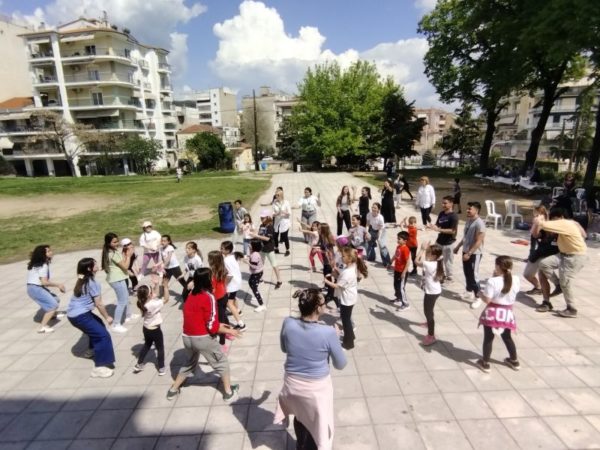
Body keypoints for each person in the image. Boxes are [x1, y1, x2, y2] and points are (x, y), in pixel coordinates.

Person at [274, 288, 347, 450]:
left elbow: (284, 349)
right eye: (324, 302)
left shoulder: (287, 322)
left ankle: (300, 444)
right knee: (317, 425)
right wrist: (335, 338)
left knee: (300, 417)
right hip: (316, 392)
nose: (325, 304)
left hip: (292, 387)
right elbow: (340, 364)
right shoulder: (328, 332)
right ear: (317, 308)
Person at [166, 268, 242, 402]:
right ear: (207, 280)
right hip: (202, 339)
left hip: (187, 337)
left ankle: (173, 390)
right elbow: (212, 327)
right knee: (222, 363)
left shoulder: (190, 295)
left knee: (189, 363)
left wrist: (219, 325)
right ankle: (228, 392)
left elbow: (198, 317)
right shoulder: (209, 297)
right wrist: (229, 331)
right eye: (211, 277)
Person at [533, 207, 587, 317]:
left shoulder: (565, 224)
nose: (554, 223)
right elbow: (584, 235)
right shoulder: (566, 224)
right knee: (544, 264)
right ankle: (558, 285)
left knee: (566, 282)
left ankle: (572, 309)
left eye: (555, 219)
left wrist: (538, 219)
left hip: (575, 256)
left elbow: (542, 224)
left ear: (561, 217)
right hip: (563, 254)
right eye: (553, 220)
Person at [66, 258, 115, 378]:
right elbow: (99, 304)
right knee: (103, 336)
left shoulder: (81, 278)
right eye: (95, 264)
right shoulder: (93, 283)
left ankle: (91, 350)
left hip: (74, 314)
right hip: (80, 316)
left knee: (98, 324)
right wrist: (107, 317)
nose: (97, 265)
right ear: (89, 268)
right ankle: (99, 367)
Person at [475, 256, 520, 373]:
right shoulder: (516, 279)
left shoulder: (492, 281)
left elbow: (487, 300)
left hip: (493, 313)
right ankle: (514, 361)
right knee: (507, 337)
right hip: (507, 313)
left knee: (488, 338)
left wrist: (479, 294)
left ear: (498, 266)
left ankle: (485, 363)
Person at [323, 247, 368, 350]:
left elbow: (337, 285)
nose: (341, 257)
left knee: (346, 321)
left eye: (343, 256)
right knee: (346, 319)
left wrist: (326, 281)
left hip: (347, 300)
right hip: (349, 297)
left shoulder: (348, 273)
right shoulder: (351, 266)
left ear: (349, 258)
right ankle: (351, 336)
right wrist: (335, 271)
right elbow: (341, 276)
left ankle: (348, 344)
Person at [26, 245, 66, 334]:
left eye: (50, 250)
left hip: (34, 287)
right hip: (35, 289)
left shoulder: (36, 263)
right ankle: (43, 327)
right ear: (42, 254)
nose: (51, 252)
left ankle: (52, 315)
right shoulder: (43, 265)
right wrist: (58, 285)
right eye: (48, 251)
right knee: (53, 305)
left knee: (56, 299)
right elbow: (44, 282)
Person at [453, 202, 486, 308]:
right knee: (467, 273)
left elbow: (479, 241)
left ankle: (478, 297)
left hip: (474, 253)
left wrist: (469, 253)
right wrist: (458, 246)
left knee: (473, 275)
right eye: (467, 209)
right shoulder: (469, 220)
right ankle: (468, 291)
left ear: (476, 210)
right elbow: (465, 236)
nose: (467, 210)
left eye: (469, 209)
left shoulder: (480, 224)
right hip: (466, 251)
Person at [101, 232, 136, 333]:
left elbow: (121, 264)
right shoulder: (112, 254)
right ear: (108, 243)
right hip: (117, 279)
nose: (117, 243)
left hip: (119, 277)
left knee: (126, 297)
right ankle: (116, 324)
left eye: (117, 241)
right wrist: (128, 256)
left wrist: (125, 254)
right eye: (114, 242)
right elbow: (125, 266)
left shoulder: (113, 251)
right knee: (122, 301)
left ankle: (129, 315)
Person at [133, 284, 168, 375]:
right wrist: (166, 287)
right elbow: (166, 299)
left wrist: (156, 285)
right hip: (155, 330)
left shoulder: (141, 302)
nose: (153, 292)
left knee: (147, 345)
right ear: (149, 295)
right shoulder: (153, 304)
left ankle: (139, 364)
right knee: (160, 348)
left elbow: (155, 295)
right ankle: (161, 367)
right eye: (151, 291)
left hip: (146, 328)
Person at [522, 206, 557, 296]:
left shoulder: (552, 225)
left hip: (549, 254)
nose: (535, 216)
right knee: (527, 274)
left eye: (537, 214)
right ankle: (538, 287)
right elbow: (535, 235)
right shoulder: (541, 224)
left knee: (543, 275)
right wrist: (537, 224)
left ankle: (555, 288)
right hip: (539, 252)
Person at [415, 243, 444, 346]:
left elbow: (416, 261)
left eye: (428, 252)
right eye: (426, 252)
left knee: (428, 312)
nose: (426, 253)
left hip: (432, 292)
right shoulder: (436, 262)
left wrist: (422, 249)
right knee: (429, 310)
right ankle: (428, 323)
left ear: (434, 256)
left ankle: (431, 336)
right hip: (435, 291)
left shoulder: (429, 264)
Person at [427, 196, 459, 282]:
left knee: (448, 262)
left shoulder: (454, 216)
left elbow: (452, 231)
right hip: (439, 241)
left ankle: (449, 277)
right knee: (436, 258)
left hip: (448, 243)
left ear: (451, 204)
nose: (443, 205)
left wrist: (439, 230)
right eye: (442, 203)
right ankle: (440, 274)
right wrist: (432, 226)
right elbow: (438, 224)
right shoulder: (441, 213)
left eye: (445, 203)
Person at [252, 210, 283, 288]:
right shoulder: (261, 225)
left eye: (263, 217)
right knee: (260, 264)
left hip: (269, 249)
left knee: (274, 264)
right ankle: (260, 278)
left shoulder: (270, 227)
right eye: (261, 217)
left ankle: (279, 280)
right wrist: (254, 234)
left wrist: (257, 236)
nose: (261, 219)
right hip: (261, 248)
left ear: (268, 217)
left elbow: (267, 238)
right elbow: (260, 234)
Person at [221, 240, 246, 331]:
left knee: (229, 303)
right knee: (233, 297)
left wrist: (224, 284)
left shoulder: (226, 260)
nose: (220, 250)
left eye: (222, 249)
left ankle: (241, 324)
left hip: (232, 284)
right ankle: (238, 311)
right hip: (237, 282)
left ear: (227, 250)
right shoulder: (233, 256)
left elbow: (230, 275)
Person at [365, 203, 391, 267]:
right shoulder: (369, 214)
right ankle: (371, 257)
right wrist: (367, 232)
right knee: (369, 242)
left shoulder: (380, 218)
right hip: (373, 229)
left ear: (378, 209)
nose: (373, 209)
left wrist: (378, 238)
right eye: (372, 207)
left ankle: (387, 262)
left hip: (381, 231)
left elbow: (380, 229)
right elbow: (367, 224)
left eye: (375, 208)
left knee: (382, 246)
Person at [391, 231, 411, 311]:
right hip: (397, 270)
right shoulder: (398, 247)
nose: (398, 240)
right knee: (396, 285)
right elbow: (396, 255)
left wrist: (404, 272)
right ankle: (398, 298)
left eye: (399, 239)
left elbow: (408, 262)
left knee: (401, 288)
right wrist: (391, 261)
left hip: (402, 272)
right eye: (397, 238)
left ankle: (405, 304)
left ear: (405, 241)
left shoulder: (405, 249)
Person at [160, 234, 183, 303]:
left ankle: (190, 293)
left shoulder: (170, 248)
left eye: (164, 241)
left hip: (175, 267)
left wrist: (163, 266)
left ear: (169, 242)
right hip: (167, 268)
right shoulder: (161, 249)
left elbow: (168, 258)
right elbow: (162, 259)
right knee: (164, 283)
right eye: (162, 241)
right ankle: (165, 298)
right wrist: (162, 267)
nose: (162, 242)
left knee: (182, 281)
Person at [247, 239, 266, 312]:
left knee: (254, 287)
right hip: (258, 272)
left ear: (254, 246)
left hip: (256, 273)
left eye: (250, 244)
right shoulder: (255, 253)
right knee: (251, 283)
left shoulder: (255, 255)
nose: (249, 245)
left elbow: (254, 267)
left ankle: (262, 305)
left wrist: (247, 262)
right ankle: (257, 294)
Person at [273, 190, 292, 256]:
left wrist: (283, 212)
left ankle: (287, 250)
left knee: (284, 236)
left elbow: (289, 212)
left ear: (281, 195)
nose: (276, 196)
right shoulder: (274, 202)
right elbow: (273, 212)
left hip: (284, 221)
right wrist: (276, 213)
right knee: (275, 236)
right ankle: (276, 248)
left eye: (278, 195)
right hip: (277, 221)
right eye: (276, 195)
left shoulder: (286, 202)